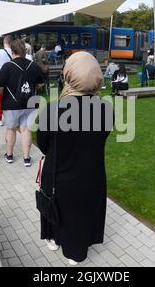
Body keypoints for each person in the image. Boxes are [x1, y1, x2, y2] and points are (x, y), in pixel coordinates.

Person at [37, 51, 111, 266]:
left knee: (58, 204)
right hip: (91, 172)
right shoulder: (105, 108)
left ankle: (55, 239)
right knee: (81, 209)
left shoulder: (54, 110)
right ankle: (76, 250)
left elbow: (43, 144)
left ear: (70, 74)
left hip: (59, 172)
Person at [0, 39, 45, 167]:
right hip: (30, 102)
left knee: (11, 129)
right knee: (26, 130)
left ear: (12, 51)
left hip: (11, 104)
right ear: (25, 50)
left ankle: (10, 155)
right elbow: (41, 84)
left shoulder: (7, 66)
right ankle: (26, 158)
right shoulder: (33, 65)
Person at [0, 35, 13, 127]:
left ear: (3, 42)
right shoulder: (14, 52)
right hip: (12, 79)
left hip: (0, 80)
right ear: (11, 42)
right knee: (11, 99)